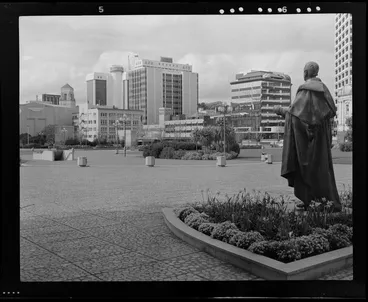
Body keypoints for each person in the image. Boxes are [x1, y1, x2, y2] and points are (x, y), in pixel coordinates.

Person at [274, 61, 341, 212]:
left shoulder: (306, 90)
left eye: (304, 71)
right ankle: (320, 201)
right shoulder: (324, 90)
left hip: (310, 140)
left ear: (306, 73)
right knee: (321, 168)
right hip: (321, 138)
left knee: (308, 168)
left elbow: (296, 115)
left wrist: (280, 110)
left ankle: (313, 200)